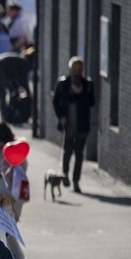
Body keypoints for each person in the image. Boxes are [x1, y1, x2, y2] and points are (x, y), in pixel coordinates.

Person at [53, 56, 95, 193]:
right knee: (67, 151)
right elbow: (56, 102)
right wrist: (61, 117)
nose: (76, 72)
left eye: (79, 69)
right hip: (68, 123)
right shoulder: (63, 83)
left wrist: (81, 93)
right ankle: (65, 173)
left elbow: (91, 103)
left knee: (79, 154)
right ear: (70, 69)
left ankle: (76, 180)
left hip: (82, 124)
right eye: (74, 69)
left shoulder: (88, 84)